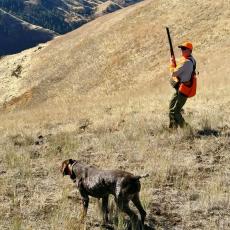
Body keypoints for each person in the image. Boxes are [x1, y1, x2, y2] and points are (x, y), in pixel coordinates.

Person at [168, 41, 196, 129]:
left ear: (189, 50)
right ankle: (173, 128)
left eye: (184, 49)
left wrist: (172, 63)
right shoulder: (191, 59)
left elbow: (174, 73)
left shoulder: (186, 62)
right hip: (181, 87)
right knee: (171, 106)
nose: (182, 51)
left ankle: (187, 129)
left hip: (184, 89)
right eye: (181, 49)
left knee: (175, 111)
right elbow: (183, 70)